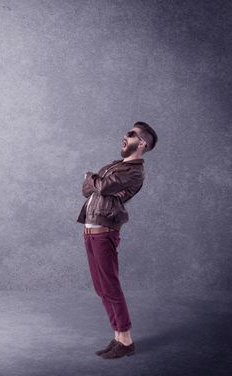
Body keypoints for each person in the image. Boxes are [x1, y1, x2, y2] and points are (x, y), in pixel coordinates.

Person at [76, 121, 158, 359]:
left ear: (141, 143)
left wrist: (92, 177)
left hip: (105, 232)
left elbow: (100, 187)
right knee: (101, 288)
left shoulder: (134, 171)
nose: (125, 135)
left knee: (110, 286)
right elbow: (86, 189)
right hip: (90, 230)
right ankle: (117, 336)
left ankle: (126, 339)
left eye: (131, 134)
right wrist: (95, 181)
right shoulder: (114, 165)